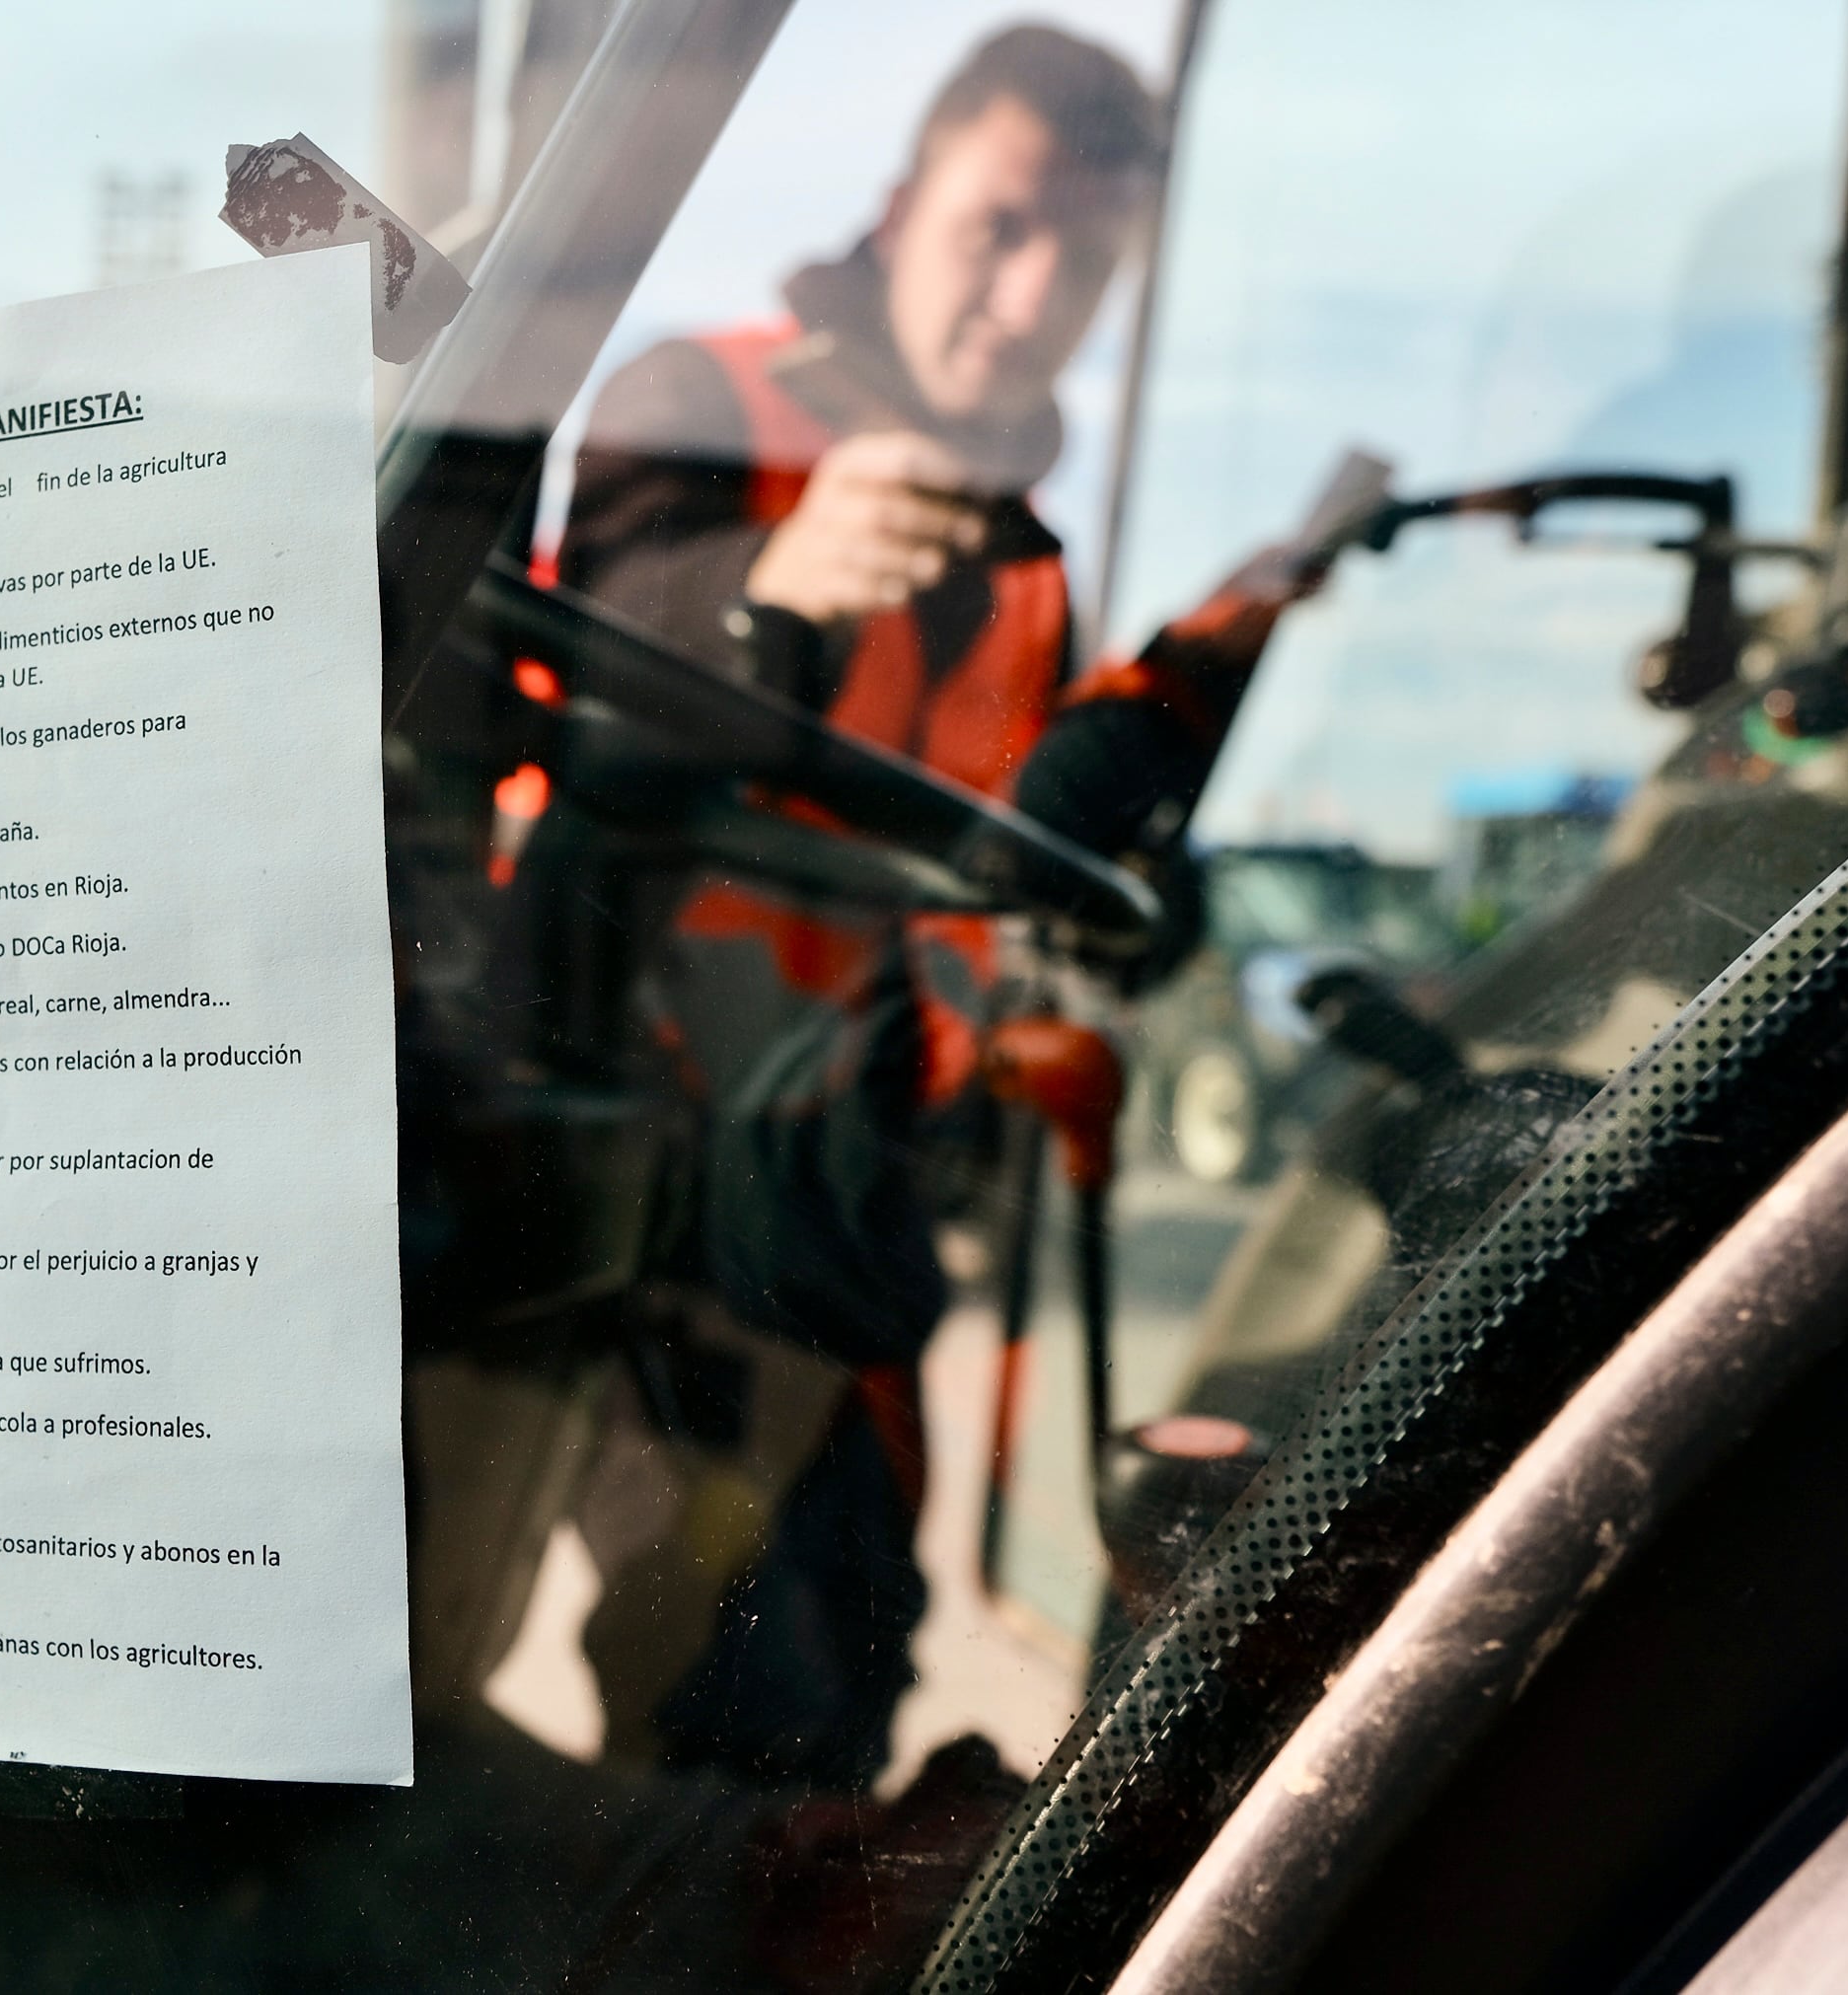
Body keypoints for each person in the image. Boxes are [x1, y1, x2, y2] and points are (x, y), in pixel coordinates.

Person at [549, 23, 1314, 1790]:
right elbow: (555, 680)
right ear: (905, 208)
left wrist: (1126, 896)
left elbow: (989, 852)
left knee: (834, 1659)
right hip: (625, 1158)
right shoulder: (705, 401)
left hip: (851, 1168)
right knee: (692, 1642)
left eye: (1087, 257)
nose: (1034, 291)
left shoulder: (1027, 553)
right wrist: (763, 599)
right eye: (1002, 224)